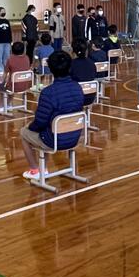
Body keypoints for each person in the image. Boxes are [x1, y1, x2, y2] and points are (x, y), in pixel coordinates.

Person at [20, 51, 85, 180]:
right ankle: (43, 168)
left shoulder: (48, 92)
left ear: (50, 68)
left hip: (55, 140)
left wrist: (30, 128)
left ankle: (35, 170)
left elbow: (40, 122)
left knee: (23, 132)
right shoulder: (77, 87)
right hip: (75, 136)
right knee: (45, 128)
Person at [0, 41, 31, 110]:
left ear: (12, 50)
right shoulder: (27, 58)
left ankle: (1, 106)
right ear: (23, 50)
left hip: (14, 87)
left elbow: (5, 73)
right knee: (12, 83)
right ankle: (8, 104)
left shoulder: (10, 59)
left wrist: (0, 82)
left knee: (1, 86)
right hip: (26, 86)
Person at [70, 39, 97, 107]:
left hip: (76, 97)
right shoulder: (92, 63)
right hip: (91, 96)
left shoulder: (71, 64)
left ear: (73, 51)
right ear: (86, 50)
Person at [0, 6, 12, 77]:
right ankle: (0, 71)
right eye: (2, 11)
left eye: (4, 11)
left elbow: (9, 32)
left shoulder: (7, 21)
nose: (4, 12)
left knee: (7, 57)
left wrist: (11, 41)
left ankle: (7, 70)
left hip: (7, 42)